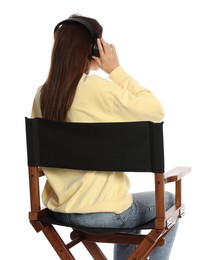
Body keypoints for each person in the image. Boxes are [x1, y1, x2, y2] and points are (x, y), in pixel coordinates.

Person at [31, 13, 178, 260]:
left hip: (60, 211)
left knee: (127, 205)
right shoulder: (98, 88)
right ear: (91, 49)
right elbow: (156, 111)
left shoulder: (42, 94)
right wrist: (116, 70)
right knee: (170, 201)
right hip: (106, 214)